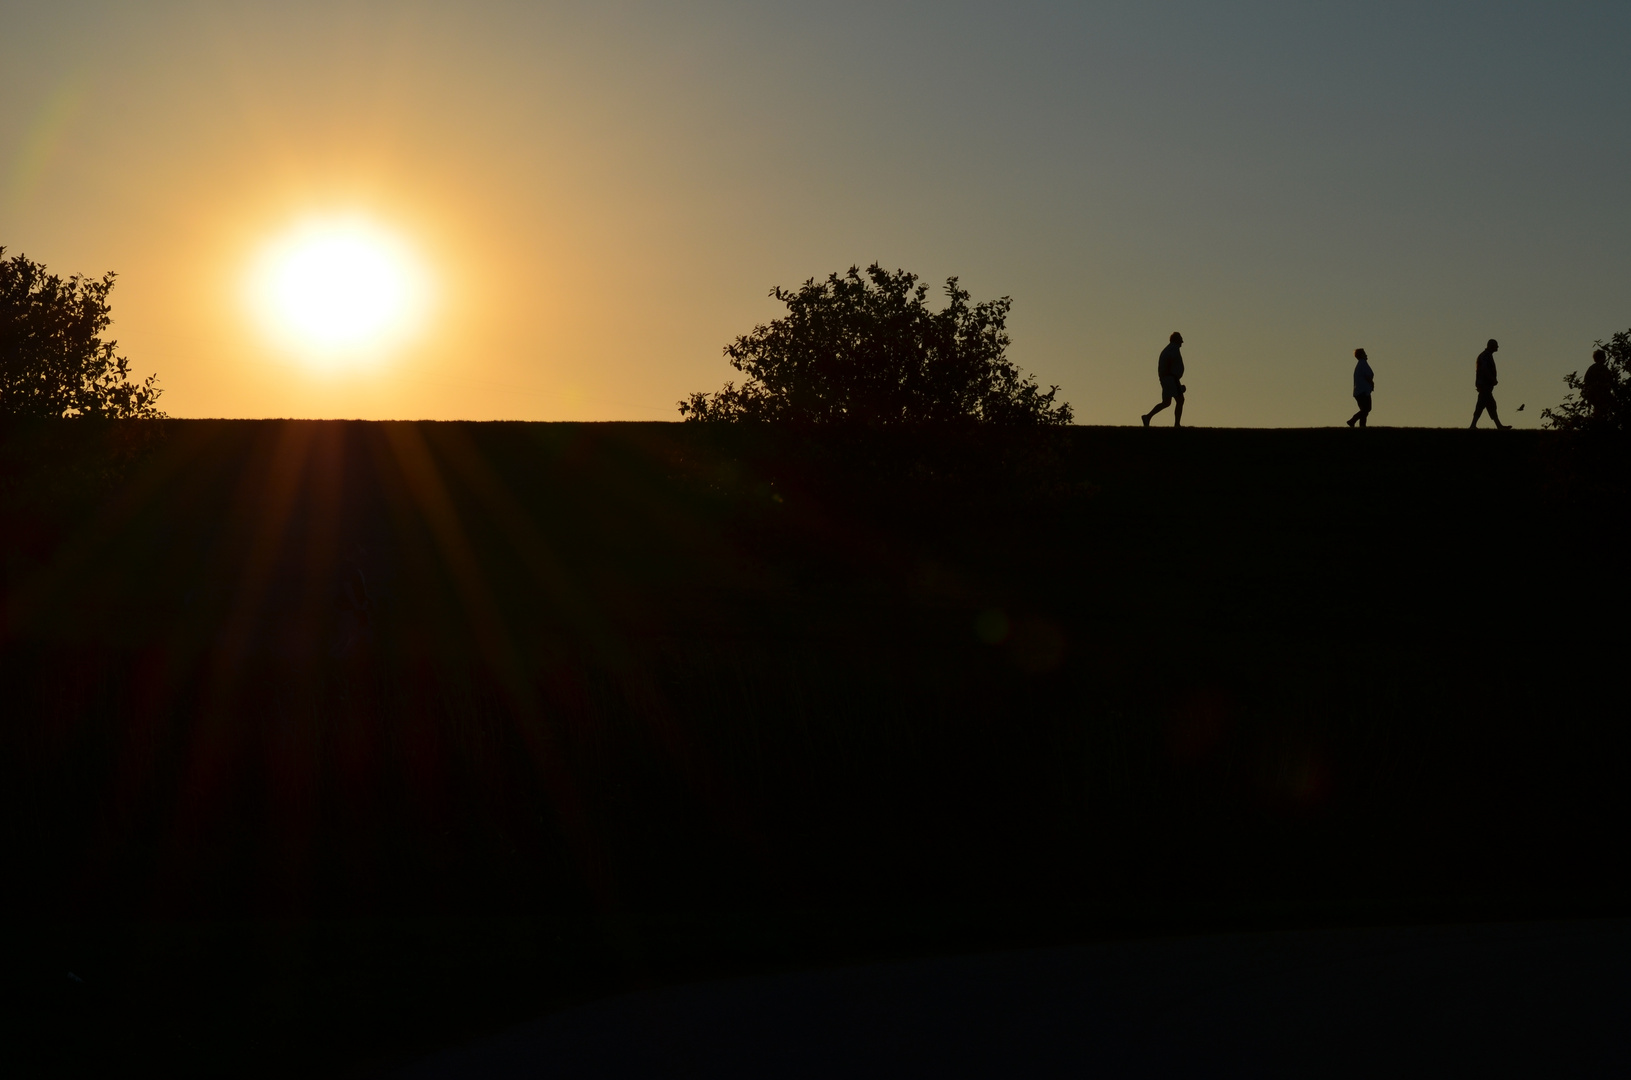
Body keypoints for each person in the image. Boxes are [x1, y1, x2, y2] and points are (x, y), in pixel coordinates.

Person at [1142, 332, 1186, 427]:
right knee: (1180, 400)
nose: (1182, 342)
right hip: (1171, 378)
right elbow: (1171, 363)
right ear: (1176, 340)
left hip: (1167, 378)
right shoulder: (1173, 349)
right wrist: (1175, 382)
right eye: (1180, 339)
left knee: (1166, 402)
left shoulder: (1168, 349)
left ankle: (1148, 417)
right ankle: (1177, 424)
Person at [1470, 339, 1510, 429]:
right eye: (1496, 346)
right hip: (1485, 385)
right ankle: (1473, 425)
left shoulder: (1486, 356)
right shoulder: (1485, 356)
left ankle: (1498, 425)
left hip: (1485, 385)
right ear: (1492, 346)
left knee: (1490, 405)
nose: (1497, 347)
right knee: (1482, 405)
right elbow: (1484, 370)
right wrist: (1492, 379)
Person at [1581, 348, 1611, 425]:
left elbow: (1586, 381)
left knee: (1597, 410)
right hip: (1600, 393)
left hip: (1591, 394)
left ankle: (1596, 423)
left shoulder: (1591, 368)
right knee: (1601, 410)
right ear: (1603, 357)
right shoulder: (1603, 368)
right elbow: (1608, 381)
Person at [1347, 348, 1374, 427]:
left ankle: (1362, 426)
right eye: (1364, 353)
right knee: (1366, 409)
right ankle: (1352, 420)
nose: (1366, 355)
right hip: (1363, 391)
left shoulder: (1360, 364)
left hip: (1359, 391)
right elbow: (1367, 375)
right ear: (1361, 355)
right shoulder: (1363, 363)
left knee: (1364, 410)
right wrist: (1371, 383)